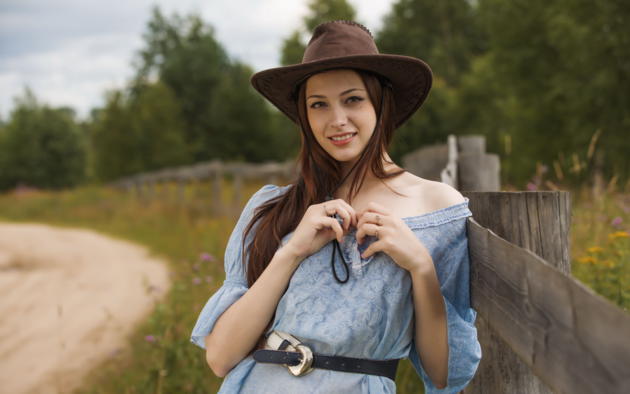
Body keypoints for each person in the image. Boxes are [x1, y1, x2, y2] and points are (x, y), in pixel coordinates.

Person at [191, 20, 481, 393]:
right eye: (318, 105)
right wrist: (292, 251)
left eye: (352, 99)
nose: (336, 120)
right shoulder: (273, 208)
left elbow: (443, 374)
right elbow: (220, 358)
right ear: (305, 116)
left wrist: (421, 267)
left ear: (381, 102)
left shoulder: (436, 207)